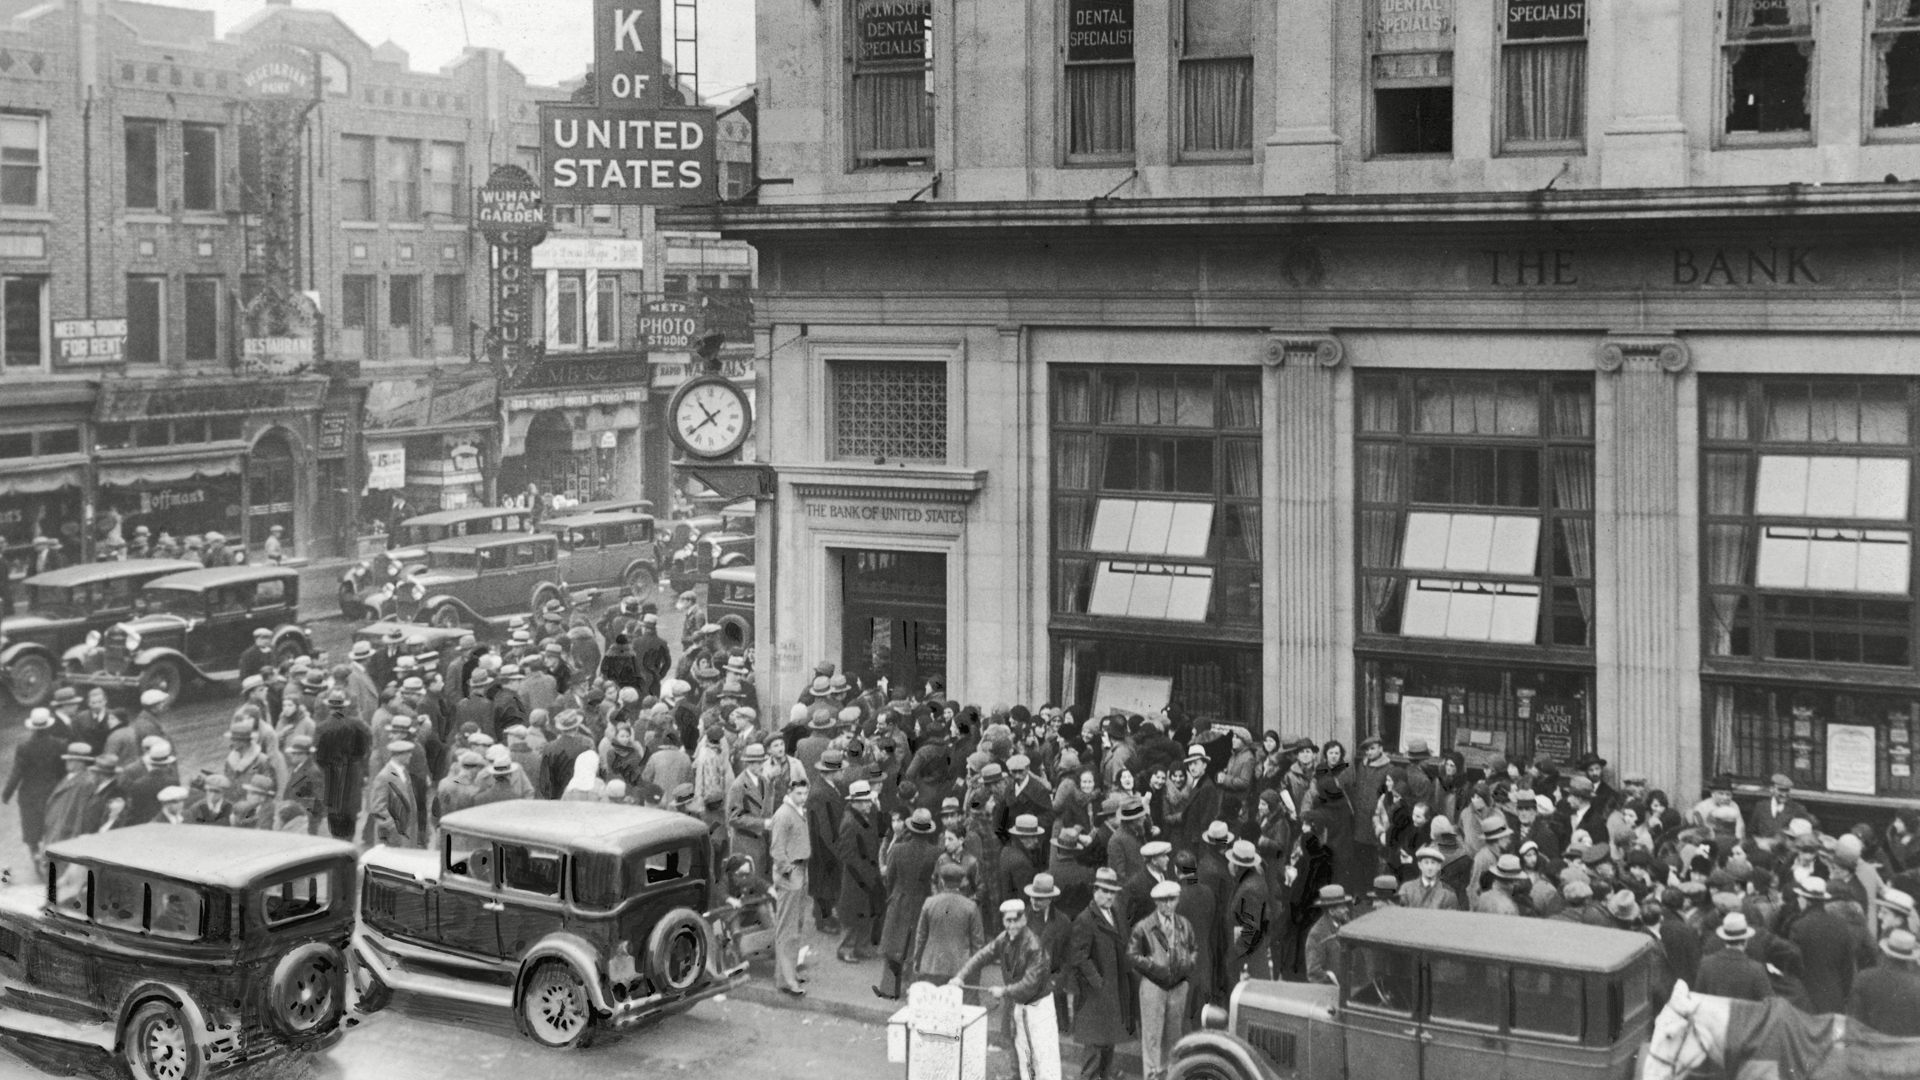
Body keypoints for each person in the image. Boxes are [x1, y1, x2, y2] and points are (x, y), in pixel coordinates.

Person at [954, 898, 1059, 1080]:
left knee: (1043, 1057)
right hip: (1019, 1004)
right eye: (1007, 921)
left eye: (1015, 920)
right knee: (1024, 1052)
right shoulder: (1003, 939)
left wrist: (1003, 991)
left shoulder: (1033, 946)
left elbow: (1029, 984)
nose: (1011, 925)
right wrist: (960, 976)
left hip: (1038, 1006)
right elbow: (981, 956)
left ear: (1023, 920)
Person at [1069, 867, 1134, 1080]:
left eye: (1112, 892)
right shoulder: (1085, 919)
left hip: (1113, 995)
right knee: (1093, 1057)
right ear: (1095, 890)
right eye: (1104, 891)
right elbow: (1079, 957)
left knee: (1108, 1051)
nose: (1109, 896)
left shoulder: (1115, 914)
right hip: (1093, 999)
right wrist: (1099, 983)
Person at [1129, 880, 1197, 1080]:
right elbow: (1132, 956)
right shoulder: (1144, 927)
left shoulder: (1184, 925)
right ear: (1156, 902)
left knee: (1174, 1034)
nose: (1168, 905)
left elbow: (1194, 950)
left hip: (1178, 986)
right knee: (1152, 1036)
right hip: (1153, 986)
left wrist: (1186, 966)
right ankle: (1151, 1075)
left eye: (1172, 900)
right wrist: (1153, 968)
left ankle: (1171, 1074)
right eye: (1163, 901)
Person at [876, 807, 942, 999]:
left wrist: (893, 895)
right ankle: (914, 989)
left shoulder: (897, 850)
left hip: (899, 899)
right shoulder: (935, 853)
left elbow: (890, 877)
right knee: (917, 945)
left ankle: (888, 988)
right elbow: (935, 881)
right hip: (922, 901)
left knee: (894, 944)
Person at [4, 709, 69, 857]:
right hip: (53, 790)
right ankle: (52, 852)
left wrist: (6, 794)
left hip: (30, 793)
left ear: (32, 726)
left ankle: (34, 852)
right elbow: (63, 770)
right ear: (49, 726)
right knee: (51, 823)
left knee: (32, 824)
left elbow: (17, 773)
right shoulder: (59, 744)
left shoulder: (24, 747)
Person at [769, 775, 812, 997]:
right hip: (792, 871)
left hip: (801, 869)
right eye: (799, 794)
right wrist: (789, 873)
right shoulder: (783, 814)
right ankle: (786, 981)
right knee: (787, 928)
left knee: (797, 925)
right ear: (789, 792)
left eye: (805, 793)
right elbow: (777, 850)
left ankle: (791, 972)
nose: (803, 798)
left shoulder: (799, 811)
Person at [1787, 877, 1856, 1014]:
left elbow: (1793, 966)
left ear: (1805, 900)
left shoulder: (1799, 927)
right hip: (1834, 998)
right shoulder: (1840, 926)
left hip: (1806, 1000)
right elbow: (1848, 968)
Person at [915, 862, 986, 990]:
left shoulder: (929, 903)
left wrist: (917, 961)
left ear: (941, 881)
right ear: (963, 882)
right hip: (960, 969)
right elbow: (978, 943)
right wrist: (975, 971)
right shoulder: (970, 906)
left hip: (932, 966)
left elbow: (921, 937)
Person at [836, 780, 885, 962]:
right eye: (865, 801)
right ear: (855, 802)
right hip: (856, 877)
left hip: (868, 874)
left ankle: (860, 946)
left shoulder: (864, 816)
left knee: (866, 911)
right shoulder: (850, 822)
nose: (868, 804)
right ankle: (846, 948)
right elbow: (846, 852)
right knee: (853, 913)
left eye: (868, 800)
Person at [1847, 929, 1920, 1036]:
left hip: (1872, 1048)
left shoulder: (1865, 978)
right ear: (1910, 958)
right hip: (1906, 1050)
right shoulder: (1917, 985)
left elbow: (1853, 1021)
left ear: (1885, 953)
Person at [1694, 913, 1771, 1001]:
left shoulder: (1706, 964)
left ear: (1724, 938)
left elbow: (1698, 997)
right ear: (1746, 940)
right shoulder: (1756, 969)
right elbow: (1768, 1003)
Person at [1224, 839, 1272, 981]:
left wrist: (1234, 957)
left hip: (1251, 963)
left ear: (1236, 865)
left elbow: (1251, 930)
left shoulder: (1249, 889)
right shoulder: (1251, 879)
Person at [366, 741, 420, 847]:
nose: (410, 755)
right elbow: (378, 808)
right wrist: (394, 827)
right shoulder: (384, 776)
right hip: (392, 838)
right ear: (399, 755)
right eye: (407, 753)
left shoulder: (403, 772)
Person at [1304, 885, 1354, 984]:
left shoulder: (1346, 923)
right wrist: (1336, 985)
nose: (1347, 910)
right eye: (1343, 907)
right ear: (1331, 911)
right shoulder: (1317, 934)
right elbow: (1314, 973)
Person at [1397, 845, 1461, 910]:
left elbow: (1450, 918)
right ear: (1420, 865)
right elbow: (1400, 915)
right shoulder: (1407, 889)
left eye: (1433, 863)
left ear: (1439, 866)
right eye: (1426, 863)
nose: (1429, 867)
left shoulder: (1447, 894)